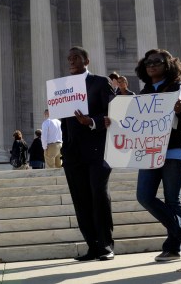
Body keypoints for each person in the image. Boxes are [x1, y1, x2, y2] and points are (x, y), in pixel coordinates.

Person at [134, 49, 181, 262]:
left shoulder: (179, 88)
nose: (151, 65)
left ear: (167, 65)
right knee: (144, 196)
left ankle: (173, 248)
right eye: (148, 62)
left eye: (157, 62)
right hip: (150, 150)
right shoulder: (143, 93)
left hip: (174, 150)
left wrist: (180, 111)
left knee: (172, 199)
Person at [61, 46, 116, 261]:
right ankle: (92, 245)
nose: (71, 61)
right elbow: (64, 121)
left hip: (97, 149)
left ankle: (106, 245)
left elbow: (113, 111)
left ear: (86, 60)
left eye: (76, 57)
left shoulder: (100, 82)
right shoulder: (63, 87)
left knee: (98, 194)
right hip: (73, 151)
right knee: (80, 198)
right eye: (69, 58)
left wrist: (91, 121)